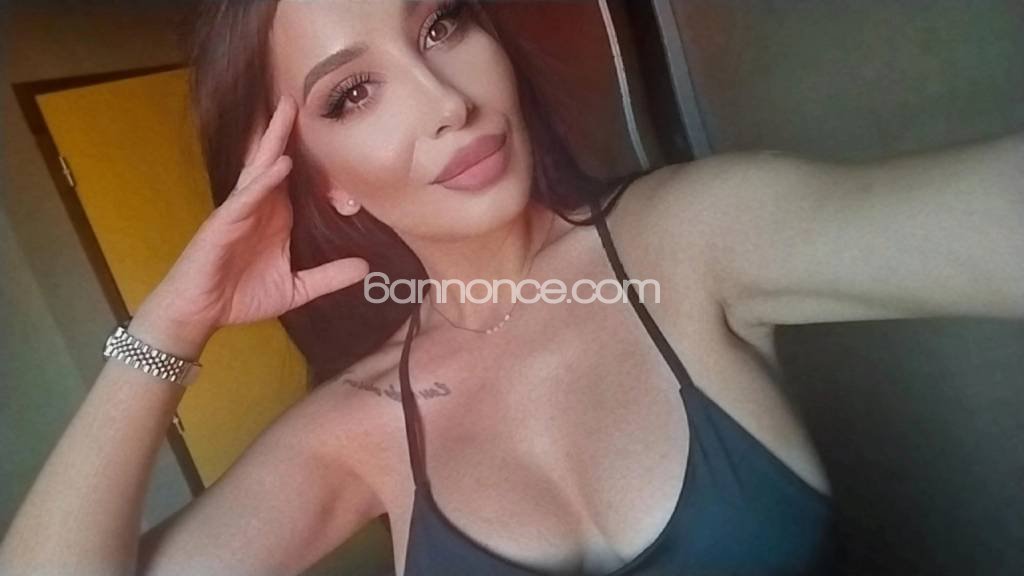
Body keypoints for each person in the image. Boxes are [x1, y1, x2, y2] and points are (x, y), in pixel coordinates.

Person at [1, 1, 1021, 575]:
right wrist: (173, 322)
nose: (445, 101)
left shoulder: (693, 237)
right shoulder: (353, 429)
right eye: (353, 93)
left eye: (441, 25)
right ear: (325, 182)